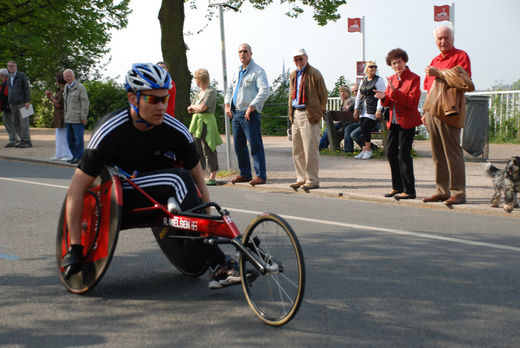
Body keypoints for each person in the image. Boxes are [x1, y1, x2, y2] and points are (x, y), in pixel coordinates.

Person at [62, 63, 245, 290]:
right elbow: (76, 190)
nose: (161, 106)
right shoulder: (109, 132)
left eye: (165, 99)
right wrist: (75, 248)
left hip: (151, 189)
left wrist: (205, 223)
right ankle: (219, 264)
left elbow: (197, 178)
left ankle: (213, 256)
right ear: (132, 98)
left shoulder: (176, 130)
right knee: (176, 179)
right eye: (152, 100)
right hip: (115, 194)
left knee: (181, 178)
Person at [421, 24, 474, 207]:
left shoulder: (461, 56)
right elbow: (428, 89)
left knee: (453, 152)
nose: (443, 41)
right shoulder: (434, 60)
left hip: (450, 111)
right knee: (437, 154)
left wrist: (439, 74)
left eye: (446, 38)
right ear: (436, 40)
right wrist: (425, 112)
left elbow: (464, 83)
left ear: (453, 39)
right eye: (440, 38)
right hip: (433, 111)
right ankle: (442, 190)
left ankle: (458, 192)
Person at [374, 48, 422, 200]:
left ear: (405, 61)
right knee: (390, 153)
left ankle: (409, 190)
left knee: (404, 154)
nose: (396, 66)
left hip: (407, 122)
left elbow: (412, 102)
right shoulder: (392, 78)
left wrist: (394, 93)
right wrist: (383, 97)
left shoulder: (414, 78)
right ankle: (397, 186)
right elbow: (389, 100)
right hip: (393, 121)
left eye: (399, 62)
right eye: (393, 63)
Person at [225, 43, 269, 186]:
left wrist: (252, 106)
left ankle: (260, 175)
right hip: (236, 113)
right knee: (239, 146)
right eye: (240, 52)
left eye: (245, 51)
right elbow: (229, 89)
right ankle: (245, 173)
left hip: (250, 113)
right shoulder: (236, 71)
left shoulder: (258, 71)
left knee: (255, 145)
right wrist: (227, 104)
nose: (242, 54)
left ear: (251, 53)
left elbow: (265, 91)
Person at [288, 48, 328, 191]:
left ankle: (312, 179)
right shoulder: (293, 74)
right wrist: (291, 114)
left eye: (301, 59)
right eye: (296, 59)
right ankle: (301, 178)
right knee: (297, 149)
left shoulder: (314, 73)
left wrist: (318, 112)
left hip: (309, 114)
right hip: (296, 113)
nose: (298, 62)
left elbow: (324, 95)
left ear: (306, 58)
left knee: (310, 149)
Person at [187, 68, 222, 186]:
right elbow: (192, 107)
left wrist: (194, 107)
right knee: (198, 150)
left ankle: (212, 176)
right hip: (197, 123)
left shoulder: (210, 91)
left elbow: (202, 108)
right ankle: (201, 175)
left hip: (207, 122)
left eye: (196, 78)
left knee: (208, 148)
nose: (195, 80)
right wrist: (195, 107)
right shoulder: (198, 92)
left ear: (200, 79)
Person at [353, 61, 385, 160]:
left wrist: (379, 109)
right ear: (367, 68)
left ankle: (368, 150)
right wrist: (356, 109)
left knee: (366, 128)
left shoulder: (379, 80)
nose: (373, 69)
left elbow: (381, 95)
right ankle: (364, 149)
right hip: (363, 108)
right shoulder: (364, 80)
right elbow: (359, 96)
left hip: (373, 108)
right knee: (362, 128)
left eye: (375, 67)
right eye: (371, 67)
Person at [63, 69, 90, 164]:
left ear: (74, 76)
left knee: (78, 140)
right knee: (70, 140)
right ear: (64, 78)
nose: (68, 78)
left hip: (78, 118)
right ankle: (74, 156)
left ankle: (80, 157)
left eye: (70, 75)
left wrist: (84, 116)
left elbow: (85, 103)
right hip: (68, 118)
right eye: (66, 76)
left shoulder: (80, 87)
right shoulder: (66, 86)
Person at [45, 72, 73, 161]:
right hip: (59, 115)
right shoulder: (59, 88)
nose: (55, 80)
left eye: (56, 78)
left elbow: (58, 104)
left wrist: (49, 97)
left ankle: (67, 154)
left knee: (63, 135)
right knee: (59, 135)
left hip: (62, 114)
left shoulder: (63, 89)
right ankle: (59, 153)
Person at [319, 85, 353, 151]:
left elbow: (346, 116)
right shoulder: (344, 101)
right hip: (342, 123)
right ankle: (322, 147)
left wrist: (336, 122)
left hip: (346, 124)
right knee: (328, 130)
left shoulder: (349, 101)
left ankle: (321, 147)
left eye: (344, 91)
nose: (342, 93)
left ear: (348, 92)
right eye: (340, 91)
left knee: (328, 130)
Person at [7, 61, 32, 148]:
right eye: (9, 66)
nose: (11, 67)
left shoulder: (22, 75)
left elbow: (27, 89)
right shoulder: (9, 77)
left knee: (24, 123)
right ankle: (21, 140)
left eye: (12, 66)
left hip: (23, 103)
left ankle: (27, 141)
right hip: (12, 103)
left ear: (16, 67)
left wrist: (27, 101)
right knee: (16, 123)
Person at [0, 68, 16, 147]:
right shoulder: (9, 82)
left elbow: (4, 96)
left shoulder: (6, 83)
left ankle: (13, 140)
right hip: (9, 105)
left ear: (2, 75)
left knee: (8, 123)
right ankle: (14, 139)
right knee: (10, 122)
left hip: (7, 106)